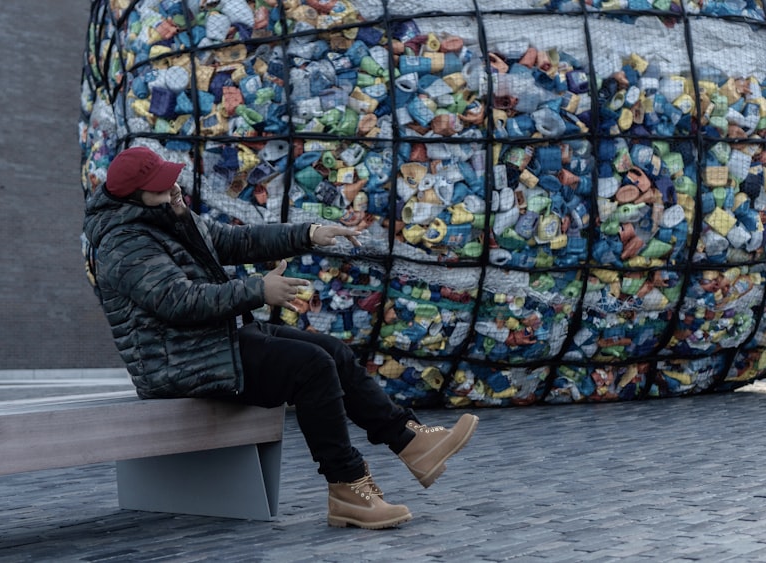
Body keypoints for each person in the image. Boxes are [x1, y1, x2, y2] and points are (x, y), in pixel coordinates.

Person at [83, 145, 479, 530]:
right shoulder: (125, 243)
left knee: (332, 351)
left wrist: (309, 233)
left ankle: (410, 441)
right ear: (135, 198)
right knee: (310, 368)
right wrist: (258, 290)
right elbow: (179, 302)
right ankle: (347, 487)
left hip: (213, 342)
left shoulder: (169, 217)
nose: (173, 188)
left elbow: (237, 241)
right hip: (177, 363)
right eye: (161, 185)